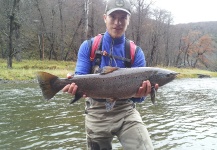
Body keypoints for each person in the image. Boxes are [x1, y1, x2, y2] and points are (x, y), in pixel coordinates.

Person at [62, 0, 158, 149]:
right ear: (105, 17)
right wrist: (72, 84)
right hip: (96, 111)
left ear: (128, 20)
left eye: (123, 18)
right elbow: (80, 77)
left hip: (126, 111)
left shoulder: (136, 52)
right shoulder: (89, 46)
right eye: (113, 17)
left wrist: (142, 94)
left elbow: (139, 100)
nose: (117, 22)